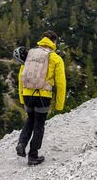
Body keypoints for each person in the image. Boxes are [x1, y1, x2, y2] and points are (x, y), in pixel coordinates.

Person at [14, 30, 66, 166]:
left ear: (42, 39)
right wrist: (60, 105)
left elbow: (21, 77)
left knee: (30, 119)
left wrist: (21, 97)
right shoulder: (55, 58)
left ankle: (21, 143)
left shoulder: (30, 53)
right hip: (43, 96)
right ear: (54, 42)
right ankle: (33, 156)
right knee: (39, 125)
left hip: (27, 94)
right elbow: (61, 83)